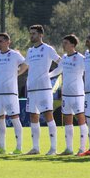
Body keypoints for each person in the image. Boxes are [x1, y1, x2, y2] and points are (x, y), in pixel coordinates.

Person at [48, 35, 88, 156]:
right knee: (68, 121)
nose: (63, 45)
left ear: (72, 45)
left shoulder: (81, 58)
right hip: (66, 95)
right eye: (63, 43)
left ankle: (82, 148)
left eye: (65, 43)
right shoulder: (64, 58)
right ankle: (69, 148)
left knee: (81, 120)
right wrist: (47, 75)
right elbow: (58, 70)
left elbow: (89, 71)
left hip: (78, 95)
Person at [24, 25, 61, 155]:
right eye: (31, 33)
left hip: (44, 88)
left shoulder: (48, 49)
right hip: (32, 89)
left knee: (48, 116)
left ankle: (53, 148)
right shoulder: (30, 51)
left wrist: (51, 74)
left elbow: (61, 63)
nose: (31, 36)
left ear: (41, 35)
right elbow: (25, 66)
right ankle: (35, 148)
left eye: (34, 33)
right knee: (33, 116)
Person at [0, 33, 28, 155]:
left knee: (14, 119)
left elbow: (26, 63)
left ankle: (18, 147)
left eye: (1, 41)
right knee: (0, 119)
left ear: (8, 42)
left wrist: (18, 72)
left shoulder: (14, 54)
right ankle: (1, 147)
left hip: (11, 92)